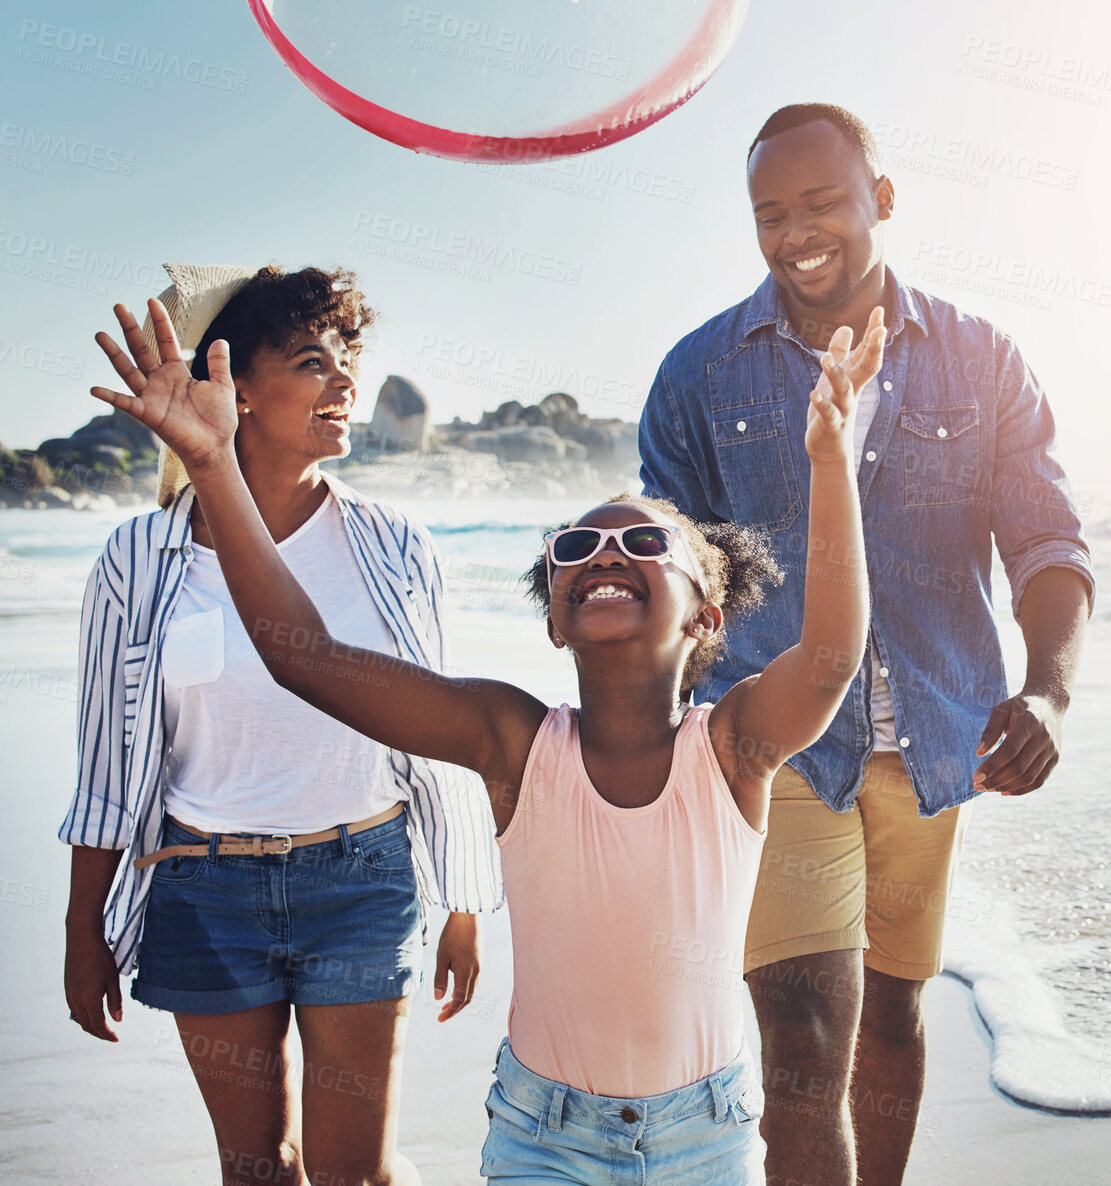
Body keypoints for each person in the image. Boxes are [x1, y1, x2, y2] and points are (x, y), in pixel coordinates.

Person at [83, 292, 887, 1184]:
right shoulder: (513, 741)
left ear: (707, 614)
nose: (604, 553)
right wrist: (213, 465)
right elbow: (304, 660)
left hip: (706, 1137)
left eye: (643, 541)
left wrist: (828, 462)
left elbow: (828, 657)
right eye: (576, 545)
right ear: (555, 624)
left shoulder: (732, 750)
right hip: (544, 1138)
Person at [638, 103, 1095, 1185]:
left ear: (881, 200)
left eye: (822, 202)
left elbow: (1047, 541)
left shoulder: (982, 361)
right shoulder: (699, 374)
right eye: (769, 212)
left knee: (891, 1017)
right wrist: (660, 753)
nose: (796, 231)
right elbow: (672, 579)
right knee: (803, 1044)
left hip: (937, 749)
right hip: (777, 751)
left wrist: (1050, 695)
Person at [60, 264, 497, 1186]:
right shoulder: (139, 558)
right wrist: (82, 930)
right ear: (237, 389)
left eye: (347, 362)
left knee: (355, 1175)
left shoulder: (395, 544)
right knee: (257, 1167)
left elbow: (437, 730)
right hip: (203, 891)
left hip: (364, 879)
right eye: (311, 361)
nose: (345, 384)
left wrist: (464, 904)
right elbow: (107, 763)